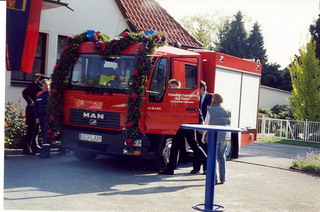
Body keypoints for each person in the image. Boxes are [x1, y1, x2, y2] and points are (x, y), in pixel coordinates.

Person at [158, 79, 207, 175]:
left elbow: (196, 108)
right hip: (178, 125)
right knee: (175, 147)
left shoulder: (184, 95)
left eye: (173, 87)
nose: (171, 89)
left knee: (193, 146)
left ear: (178, 86)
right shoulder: (170, 96)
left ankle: (207, 163)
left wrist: (201, 122)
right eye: (170, 87)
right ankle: (170, 169)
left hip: (187, 124)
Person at [202, 93, 231, 184]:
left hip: (214, 136)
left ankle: (214, 179)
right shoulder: (227, 111)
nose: (211, 100)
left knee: (212, 157)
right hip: (226, 136)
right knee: (222, 156)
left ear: (214, 100)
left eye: (212, 98)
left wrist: (203, 136)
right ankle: (223, 178)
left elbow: (206, 124)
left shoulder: (210, 110)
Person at [21, 73, 48, 155]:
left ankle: (34, 146)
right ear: (40, 80)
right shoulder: (34, 85)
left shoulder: (40, 88)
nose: (44, 83)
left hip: (35, 110)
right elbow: (24, 92)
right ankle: (26, 148)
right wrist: (30, 101)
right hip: (31, 110)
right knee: (31, 129)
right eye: (43, 81)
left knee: (35, 129)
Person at [190, 80, 213, 174]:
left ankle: (206, 168)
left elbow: (210, 113)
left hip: (207, 126)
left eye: (197, 88)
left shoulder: (211, 97)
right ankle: (196, 168)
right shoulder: (195, 98)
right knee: (197, 147)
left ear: (202, 88)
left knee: (206, 147)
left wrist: (205, 127)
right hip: (197, 126)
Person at [34, 79, 51, 158]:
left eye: (47, 86)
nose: (46, 88)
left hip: (49, 117)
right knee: (44, 133)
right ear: (42, 87)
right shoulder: (39, 95)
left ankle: (46, 152)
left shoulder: (52, 95)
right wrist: (36, 117)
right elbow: (35, 107)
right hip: (41, 117)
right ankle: (45, 150)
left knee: (46, 133)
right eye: (44, 86)